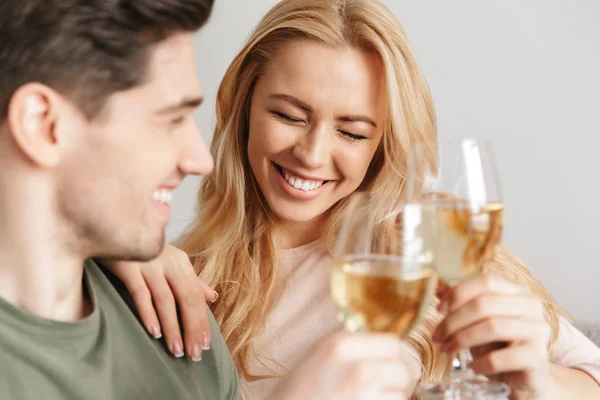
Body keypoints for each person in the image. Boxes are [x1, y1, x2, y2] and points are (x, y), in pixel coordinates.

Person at [104, 0, 600, 399]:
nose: (312, 154)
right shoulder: (186, 277)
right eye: (290, 116)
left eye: (353, 132)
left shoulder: (433, 239)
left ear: (383, 143)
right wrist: (104, 260)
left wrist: (542, 384)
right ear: (244, 108)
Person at [0, 1, 418, 399]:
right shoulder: (186, 296)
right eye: (170, 119)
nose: (200, 160)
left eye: (353, 132)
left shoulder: (183, 324)